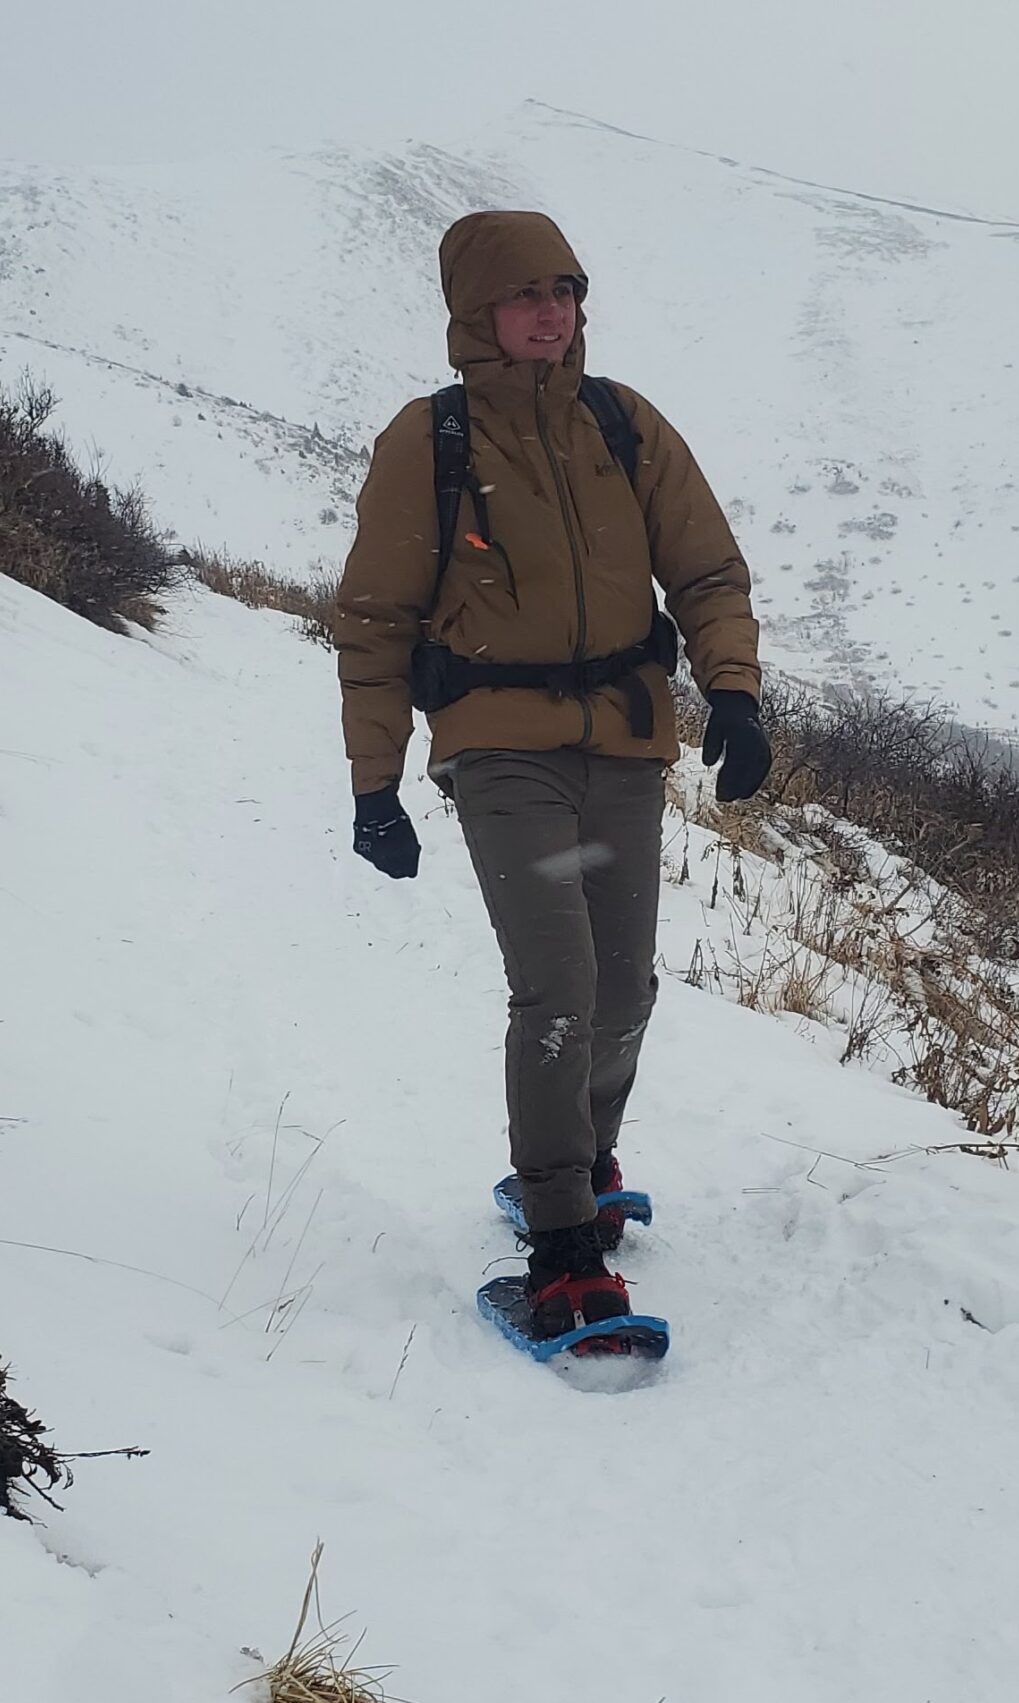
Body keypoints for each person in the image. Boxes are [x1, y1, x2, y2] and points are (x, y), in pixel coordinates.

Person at [334, 209, 770, 1339]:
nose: (552, 312)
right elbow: (375, 620)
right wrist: (372, 786)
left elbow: (708, 568)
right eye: (528, 294)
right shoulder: (429, 441)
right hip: (500, 748)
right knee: (561, 989)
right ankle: (562, 1243)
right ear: (478, 314)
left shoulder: (622, 425)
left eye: (567, 292)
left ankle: (578, 1153)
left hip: (623, 745)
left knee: (626, 992)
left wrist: (734, 690)